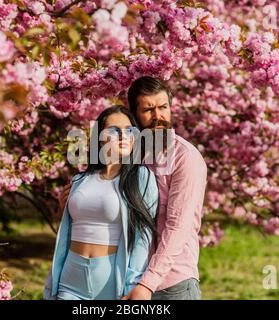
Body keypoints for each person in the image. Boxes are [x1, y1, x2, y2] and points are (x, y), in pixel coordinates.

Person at [58, 76, 208, 300]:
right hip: (126, 280)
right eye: (148, 109)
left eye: (163, 107)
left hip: (171, 283)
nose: (158, 116)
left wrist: (147, 284)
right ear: (135, 115)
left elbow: (178, 228)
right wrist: (71, 203)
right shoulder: (130, 153)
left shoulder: (185, 158)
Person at [43, 105, 159, 300]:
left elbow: (143, 237)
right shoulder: (80, 179)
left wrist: (133, 283)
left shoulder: (141, 177)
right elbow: (69, 227)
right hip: (71, 279)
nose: (124, 136)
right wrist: (64, 210)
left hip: (111, 282)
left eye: (129, 130)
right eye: (114, 130)